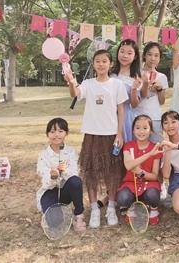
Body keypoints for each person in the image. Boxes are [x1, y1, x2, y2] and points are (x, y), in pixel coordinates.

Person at [64, 49, 127, 228]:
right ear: (93, 64)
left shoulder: (117, 84)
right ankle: (94, 209)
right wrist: (70, 81)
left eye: (104, 61)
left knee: (112, 174)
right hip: (91, 134)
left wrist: (119, 133)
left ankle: (111, 208)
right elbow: (75, 94)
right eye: (97, 61)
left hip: (111, 135)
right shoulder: (88, 83)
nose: (101, 64)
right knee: (91, 173)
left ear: (110, 64)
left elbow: (121, 110)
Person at [36, 118, 85, 232]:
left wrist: (62, 171)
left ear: (66, 133)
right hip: (50, 191)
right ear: (47, 134)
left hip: (65, 191)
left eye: (60, 131)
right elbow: (44, 177)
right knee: (54, 223)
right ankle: (54, 213)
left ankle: (79, 216)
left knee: (76, 181)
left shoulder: (71, 152)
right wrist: (53, 176)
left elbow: (74, 174)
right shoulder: (43, 155)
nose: (56, 135)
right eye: (52, 132)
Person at [117, 115, 163, 225]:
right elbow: (128, 166)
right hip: (131, 183)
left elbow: (154, 176)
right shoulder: (128, 146)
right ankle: (131, 208)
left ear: (151, 131)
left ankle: (153, 209)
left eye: (145, 128)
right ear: (133, 130)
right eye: (137, 128)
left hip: (149, 184)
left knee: (152, 195)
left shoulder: (155, 149)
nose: (141, 131)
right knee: (123, 198)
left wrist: (140, 172)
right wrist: (149, 154)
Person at [134, 42, 169, 143]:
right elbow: (135, 98)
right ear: (144, 55)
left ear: (159, 58)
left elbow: (162, 101)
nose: (153, 58)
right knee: (138, 150)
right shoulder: (136, 74)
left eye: (156, 55)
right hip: (138, 118)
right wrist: (146, 86)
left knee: (156, 149)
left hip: (155, 118)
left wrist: (160, 90)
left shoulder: (162, 77)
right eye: (149, 54)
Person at [112, 39, 142, 142]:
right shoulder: (110, 73)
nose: (124, 56)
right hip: (107, 115)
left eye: (129, 53)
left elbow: (134, 104)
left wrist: (133, 89)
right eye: (122, 51)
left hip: (125, 118)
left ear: (135, 56)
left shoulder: (136, 77)